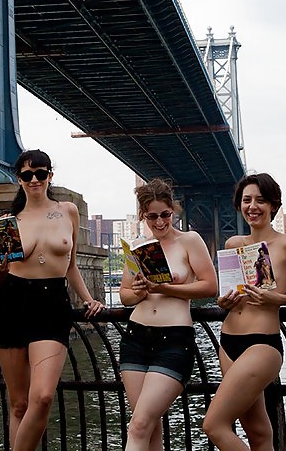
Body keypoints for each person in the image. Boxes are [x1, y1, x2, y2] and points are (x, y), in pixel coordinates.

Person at [0, 149, 105, 451]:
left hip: (52, 303)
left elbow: (72, 265)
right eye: (27, 175)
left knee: (42, 397)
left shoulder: (68, 211)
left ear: (50, 175)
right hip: (12, 301)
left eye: (40, 173)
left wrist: (89, 299)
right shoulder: (7, 222)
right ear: (19, 180)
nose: (34, 179)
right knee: (19, 403)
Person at [203, 172, 286, 451]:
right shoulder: (233, 245)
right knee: (258, 431)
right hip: (228, 341)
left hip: (262, 344)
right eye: (246, 200)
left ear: (274, 205)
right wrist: (223, 302)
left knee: (214, 425)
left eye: (260, 200)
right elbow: (225, 293)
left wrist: (275, 298)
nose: (252, 206)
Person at [118, 178, 217, 451]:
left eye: (165, 215)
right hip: (136, 337)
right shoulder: (138, 246)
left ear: (173, 211)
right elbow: (125, 295)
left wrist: (167, 288)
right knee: (149, 429)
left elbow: (210, 285)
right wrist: (139, 291)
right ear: (142, 215)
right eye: (152, 216)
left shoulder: (190, 240)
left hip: (173, 340)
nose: (160, 222)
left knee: (138, 425)